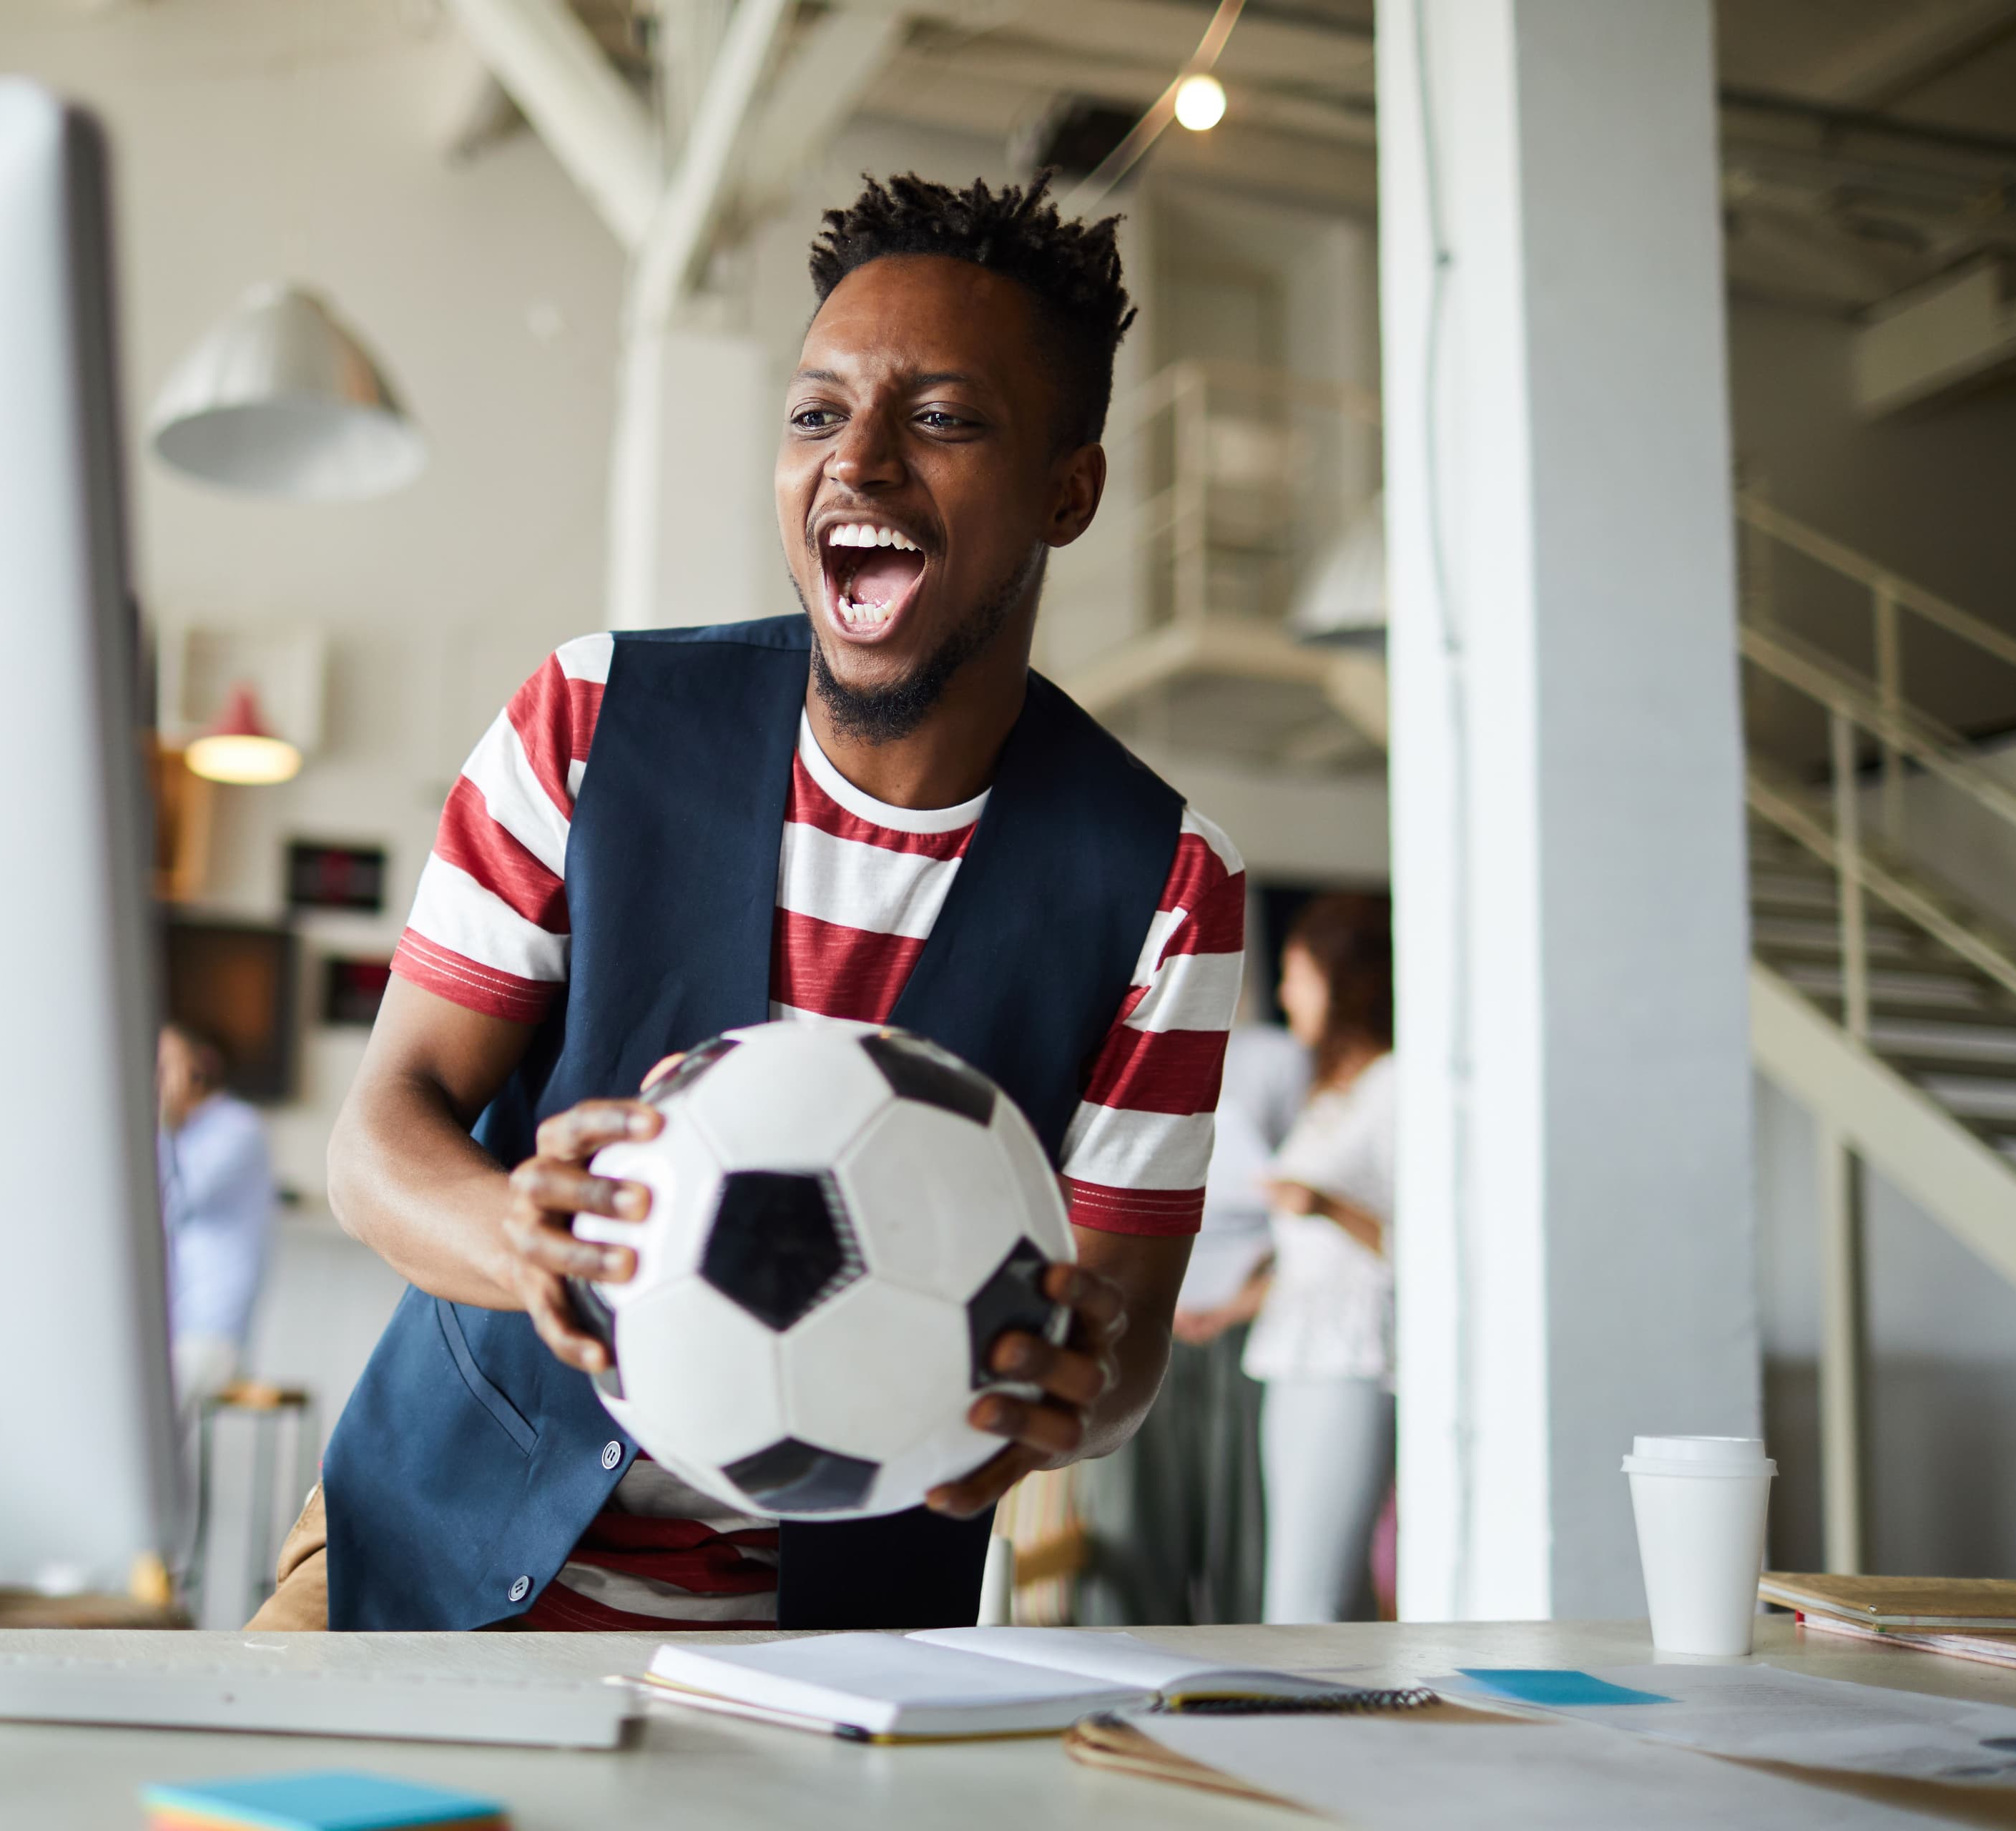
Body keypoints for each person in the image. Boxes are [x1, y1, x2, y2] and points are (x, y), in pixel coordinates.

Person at [262, 172, 1247, 1635]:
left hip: (835, 1654)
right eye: (815, 412)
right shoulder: (590, 721)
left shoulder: (1166, 882)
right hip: (422, 1555)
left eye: (942, 417)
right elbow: (376, 1146)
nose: (859, 461)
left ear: (1070, 491)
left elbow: (1125, 1352)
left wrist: (1068, 1392)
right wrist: (521, 1234)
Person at [1076, 1021, 1306, 1626]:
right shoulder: (1111, 1042)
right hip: (1129, 1314)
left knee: (1244, 1518)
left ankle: (1249, 1662)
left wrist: (1248, 1296)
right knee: (1132, 1514)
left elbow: (1305, 1200)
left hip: (1243, 1320)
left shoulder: (1277, 1059)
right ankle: (1123, 1662)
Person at [1241, 894, 1396, 1625]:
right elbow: (1311, 1262)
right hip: (1293, 1351)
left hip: (1355, 1355)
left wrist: (1326, 1205)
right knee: (1317, 1585)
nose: (1284, 996)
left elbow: (1430, 1245)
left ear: (1343, 982)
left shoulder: (1397, 1086)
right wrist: (1227, 1305)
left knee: (1309, 1595)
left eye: (1297, 977)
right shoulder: (1328, 1095)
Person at [157, 1021, 277, 1420]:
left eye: (167, 1064)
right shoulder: (186, 1132)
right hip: (172, 1325)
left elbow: (174, 1205)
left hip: (208, 1331)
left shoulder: (238, 1127)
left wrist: (163, 1123)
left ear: (201, 1068)